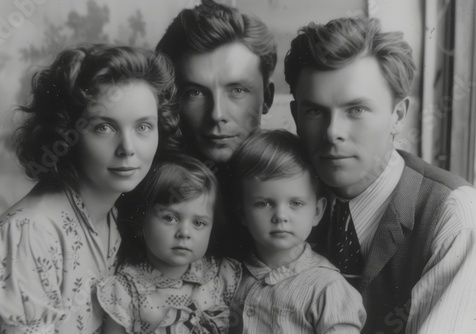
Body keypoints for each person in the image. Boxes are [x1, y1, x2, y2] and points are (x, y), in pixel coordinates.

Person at [285, 16, 476, 334]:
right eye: (315, 111)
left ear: (397, 115)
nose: (333, 133)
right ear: (295, 116)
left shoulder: (453, 214)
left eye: (356, 110)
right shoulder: (283, 200)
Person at [0, 44, 177, 334]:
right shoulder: (28, 234)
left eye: (143, 127)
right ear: (68, 133)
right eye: (104, 128)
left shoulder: (114, 214)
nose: (127, 149)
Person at [156, 0, 277, 259]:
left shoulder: (298, 185)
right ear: (174, 101)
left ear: (266, 98)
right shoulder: (150, 188)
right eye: (195, 92)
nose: (217, 115)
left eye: (237, 90)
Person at [228, 130, 366, 333]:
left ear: (317, 212)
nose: (280, 216)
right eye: (264, 203)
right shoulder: (229, 277)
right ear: (242, 213)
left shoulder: (327, 288)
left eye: (296, 203)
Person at [97, 155, 242, 334]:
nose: (185, 233)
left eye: (198, 223)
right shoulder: (126, 290)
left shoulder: (222, 277)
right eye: (170, 218)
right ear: (141, 222)